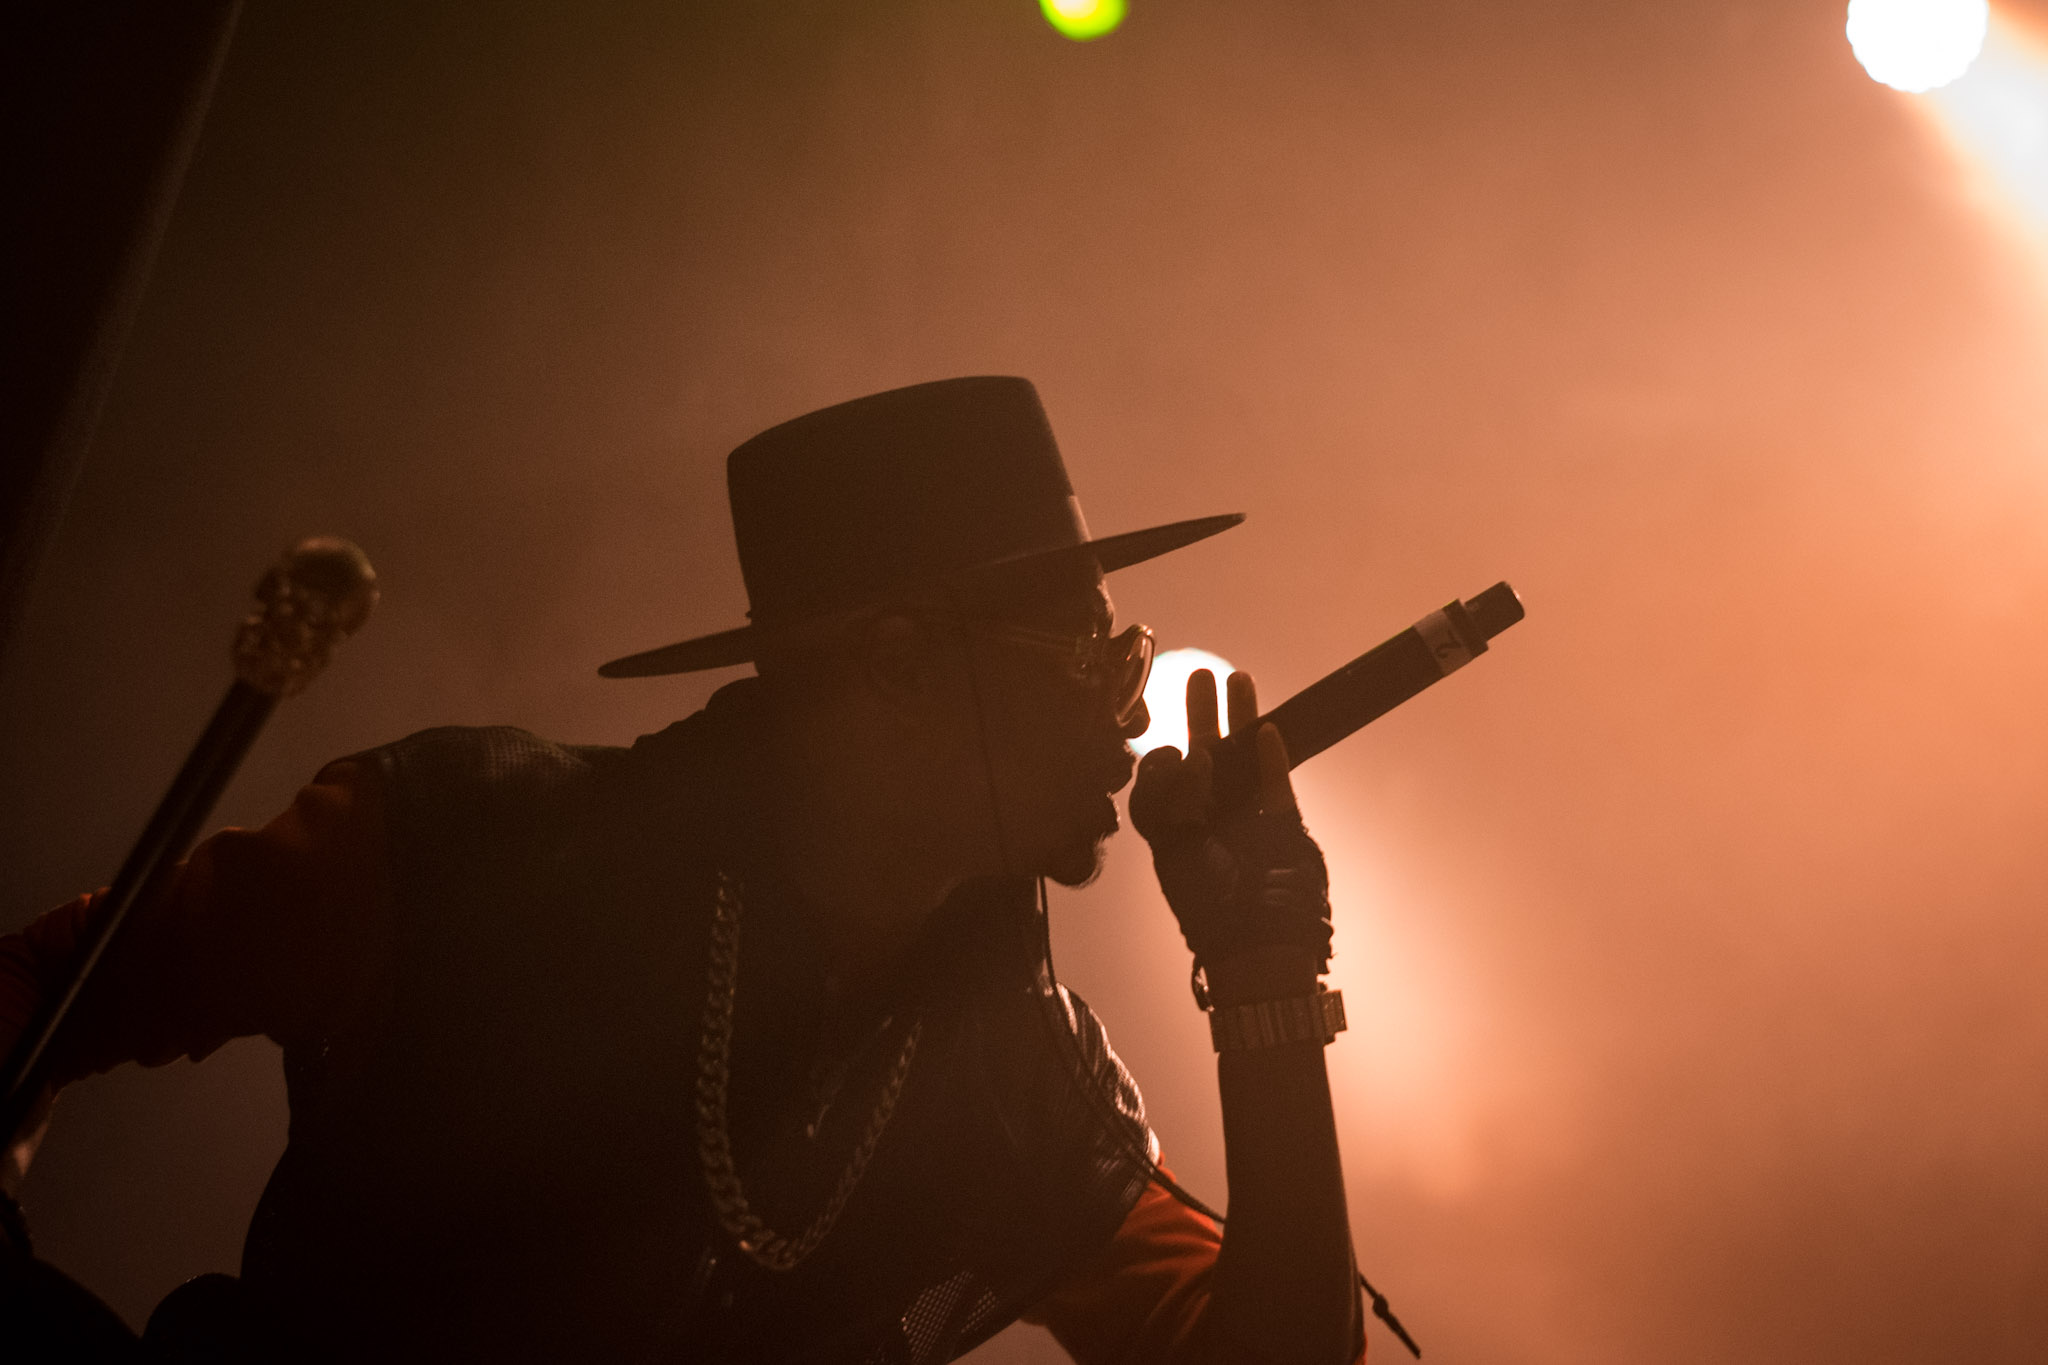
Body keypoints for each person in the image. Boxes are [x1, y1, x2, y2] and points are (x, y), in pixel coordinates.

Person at [0, 377, 1368, 1363]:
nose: (1129, 708)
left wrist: (1261, 962)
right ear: (894, 660)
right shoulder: (465, 840)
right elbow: (48, 990)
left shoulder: (1015, 1066)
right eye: (1092, 653)